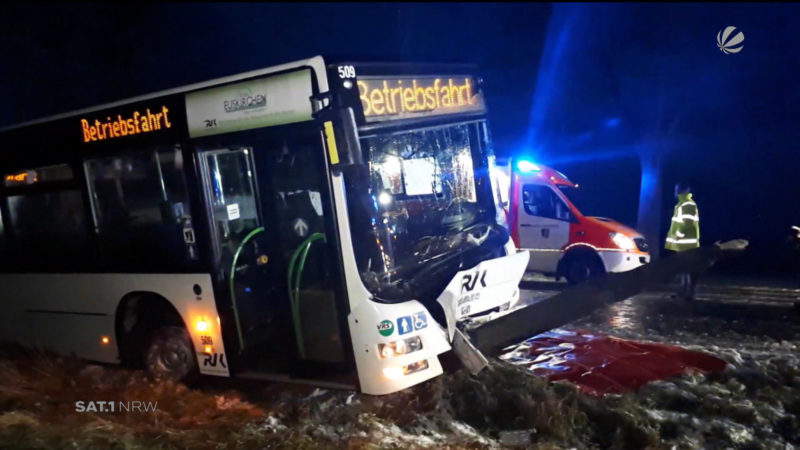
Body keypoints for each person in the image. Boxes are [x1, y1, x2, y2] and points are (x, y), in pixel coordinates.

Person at [665, 182, 700, 300]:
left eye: (677, 190)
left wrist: (678, 235)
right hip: (682, 242)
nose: (675, 192)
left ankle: (689, 292)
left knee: (688, 268)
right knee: (684, 268)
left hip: (686, 242)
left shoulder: (687, 204)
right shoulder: (682, 204)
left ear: (682, 191)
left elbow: (687, 223)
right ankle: (684, 291)